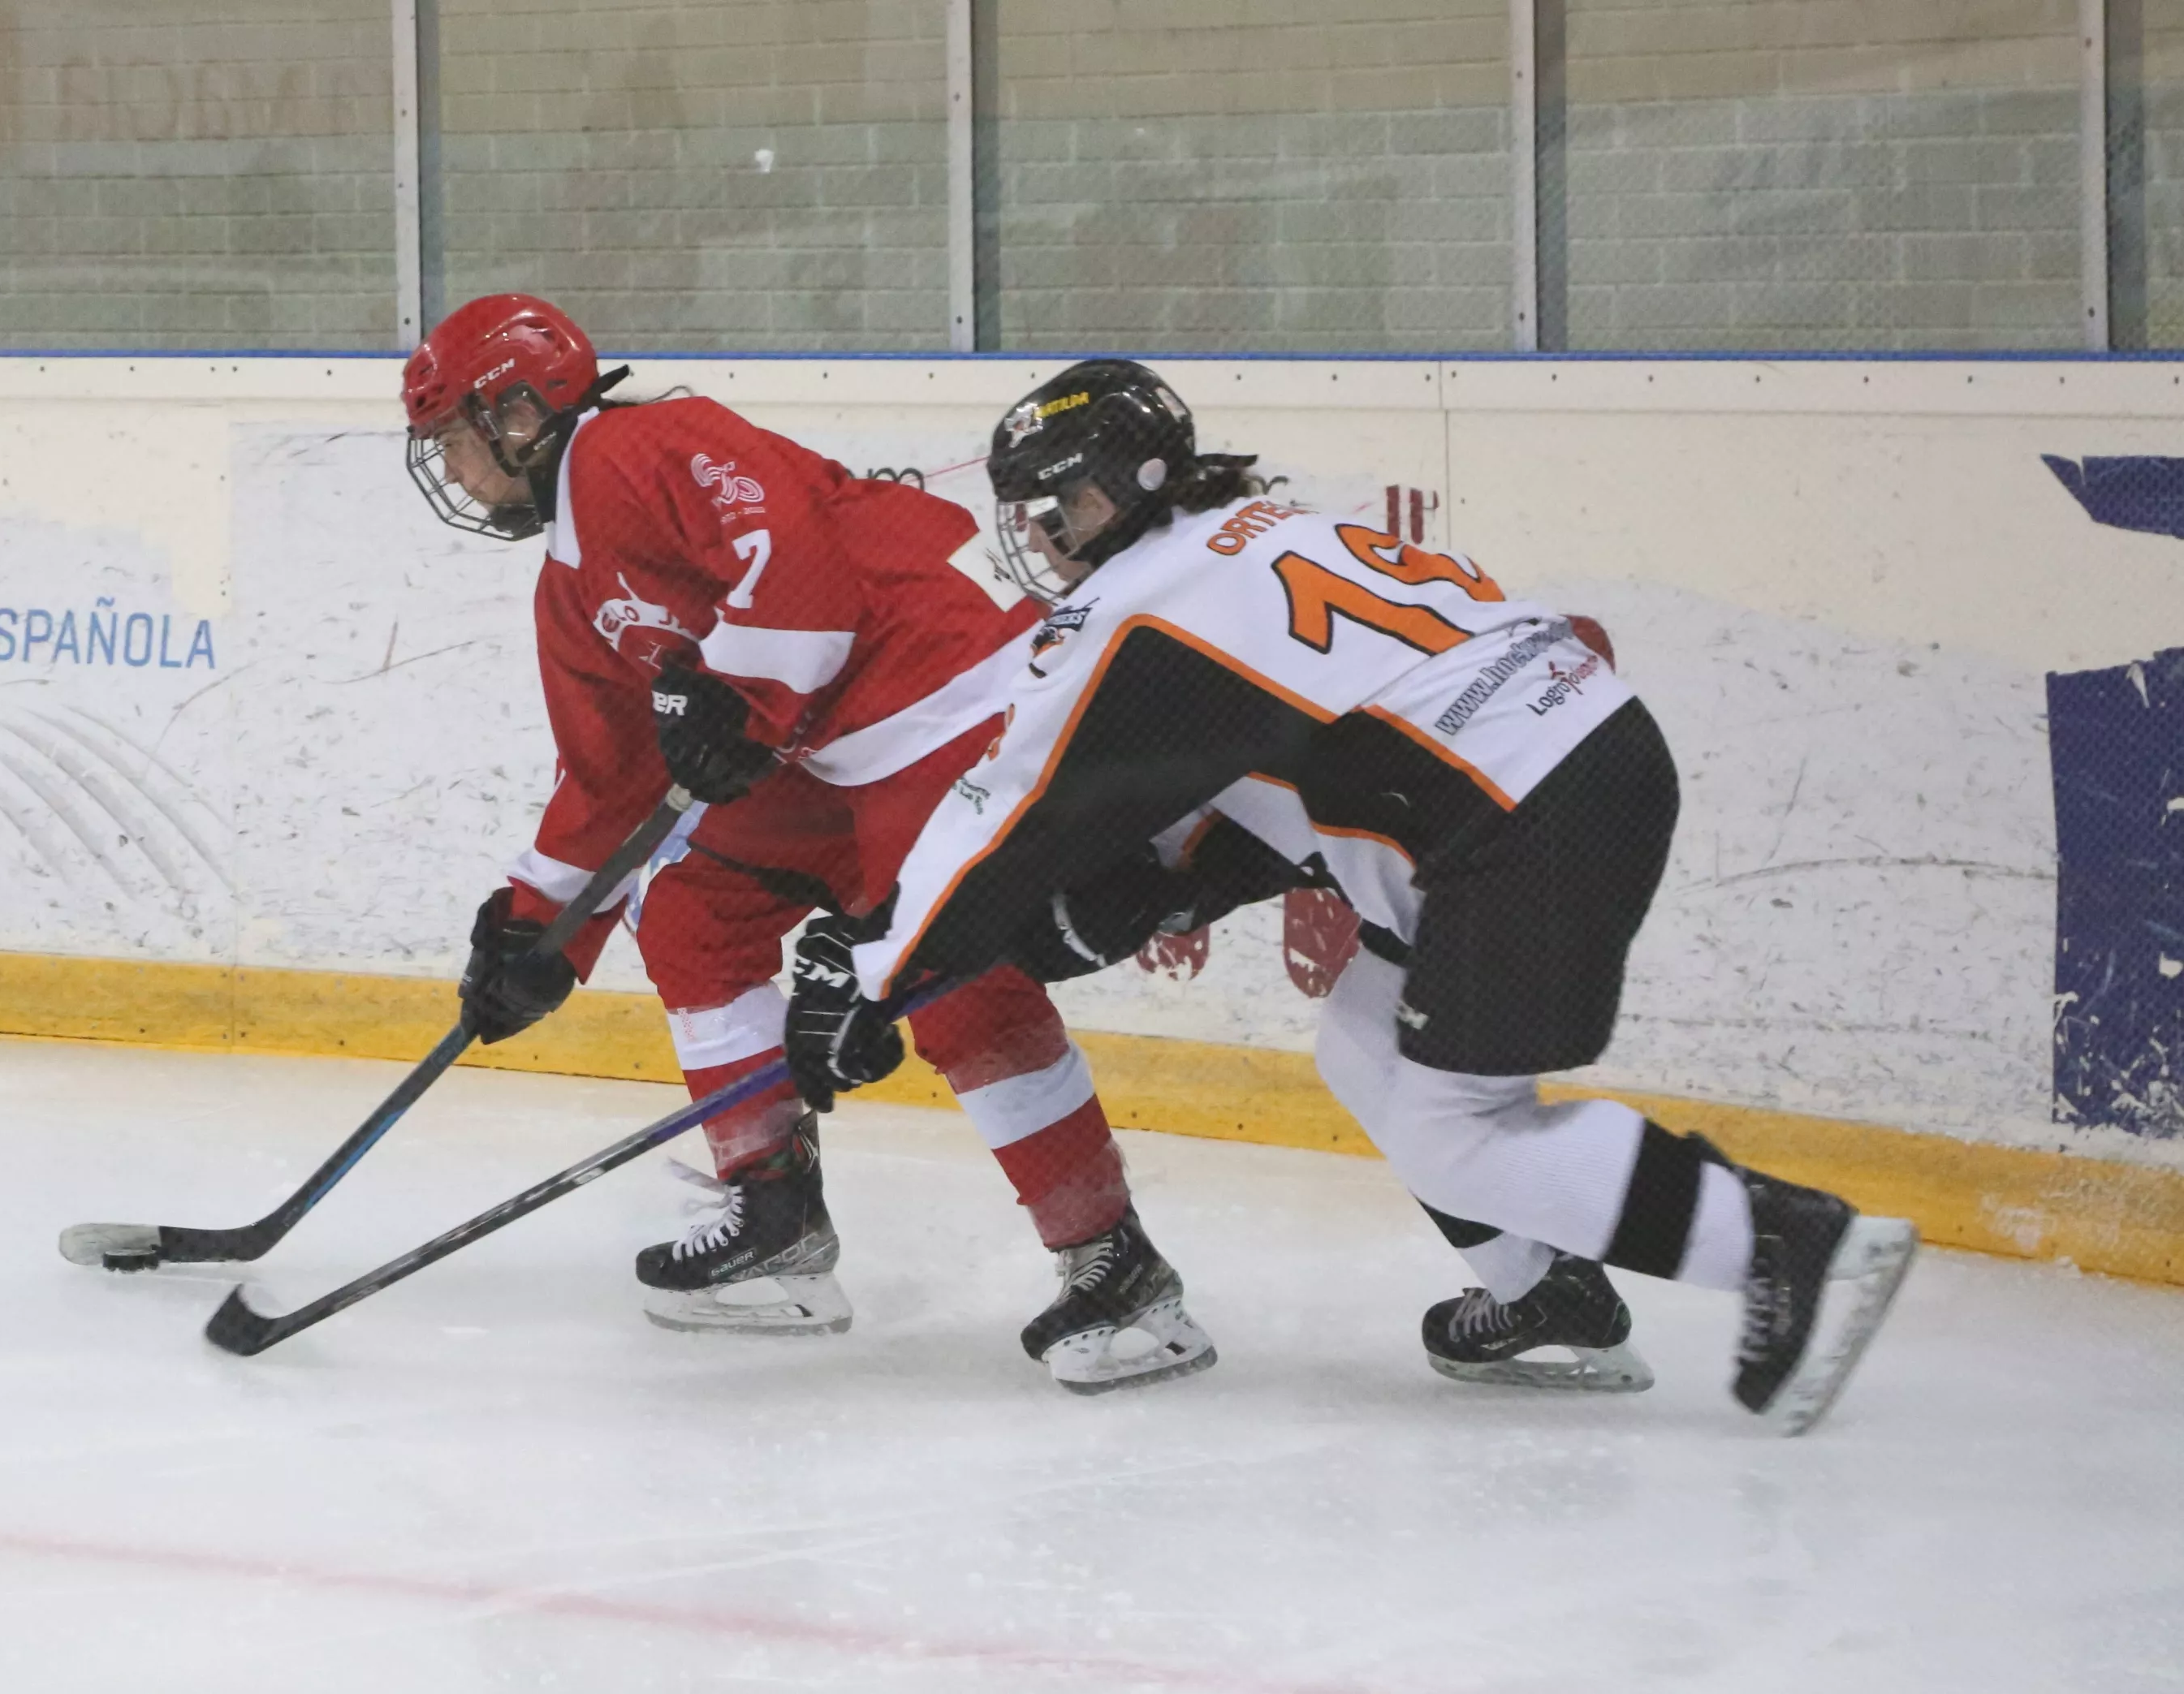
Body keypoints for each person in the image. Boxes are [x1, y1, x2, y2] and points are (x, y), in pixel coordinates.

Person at [780, 358, 1917, 1435]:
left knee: (1452, 1131)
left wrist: (877, 971)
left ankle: (1784, 1243)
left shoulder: (1138, 608)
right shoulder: (1260, 532)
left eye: (1055, 504)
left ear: (1127, 486)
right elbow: (1282, 763)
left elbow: (1012, 813)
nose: (1038, 535)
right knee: (1365, 1043)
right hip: (1561, 765)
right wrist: (1161, 890)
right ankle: (1545, 1296)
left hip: (1513, 816)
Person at [399, 296, 1215, 1394]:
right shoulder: (569, 586)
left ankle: (1116, 1268)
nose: (449, 465)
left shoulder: (645, 442)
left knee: (956, 985)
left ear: (516, 408)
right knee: (691, 905)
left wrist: (739, 693)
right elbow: (613, 778)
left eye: (452, 432)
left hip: (939, 698)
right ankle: (773, 1212)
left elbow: (796, 557)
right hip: (818, 751)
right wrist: (537, 929)